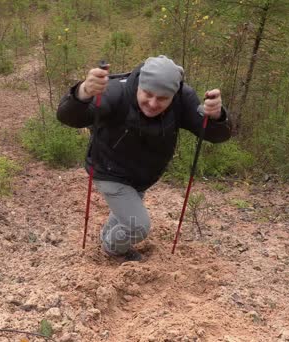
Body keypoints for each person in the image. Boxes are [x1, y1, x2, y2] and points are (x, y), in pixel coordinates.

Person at [56, 55, 231, 261]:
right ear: (139, 84)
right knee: (138, 226)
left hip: (142, 175)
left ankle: (108, 238)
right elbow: (70, 117)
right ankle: (112, 249)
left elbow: (214, 134)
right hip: (108, 169)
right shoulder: (116, 92)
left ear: (173, 95)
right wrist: (82, 93)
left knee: (128, 216)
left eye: (163, 99)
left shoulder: (183, 98)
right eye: (147, 94)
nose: (153, 103)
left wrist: (217, 116)